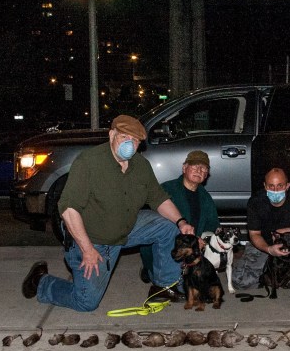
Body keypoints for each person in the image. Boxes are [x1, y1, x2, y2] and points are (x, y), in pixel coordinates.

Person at [21, 115, 194, 311]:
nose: (130, 144)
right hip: (92, 238)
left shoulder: (141, 166)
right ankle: (41, 281)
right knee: (86, 302)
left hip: (126, 228)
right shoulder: (88, 162)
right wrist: (87, 249)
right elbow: (68, 209)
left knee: (167, 227)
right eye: (124, 137)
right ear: (112, 135)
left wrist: (181, 222)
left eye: (135, 141)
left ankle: (164, 286)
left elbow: (159, 198)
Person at [232, 168, 290, 290]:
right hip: (263, 245)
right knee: (239, 281)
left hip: (289, 245)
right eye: (271, 186)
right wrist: (269, 249)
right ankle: (271, 274)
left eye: (280, 186)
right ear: (265, 186)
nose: (275, 190)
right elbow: (254, 234)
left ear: (287, 186)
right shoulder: (256, 202)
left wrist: (283, 232)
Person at [139, 150, 220, 283]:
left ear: (207, 174)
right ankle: (151, 269)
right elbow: (151, 225)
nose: (199, 170)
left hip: (190, 253)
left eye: (203, 168)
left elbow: (213, 227)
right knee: (176, 286)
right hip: (166, 250)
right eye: (194, 166)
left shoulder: (206, 198)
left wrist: (203, 241)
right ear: (184, 168)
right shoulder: (165, 190)